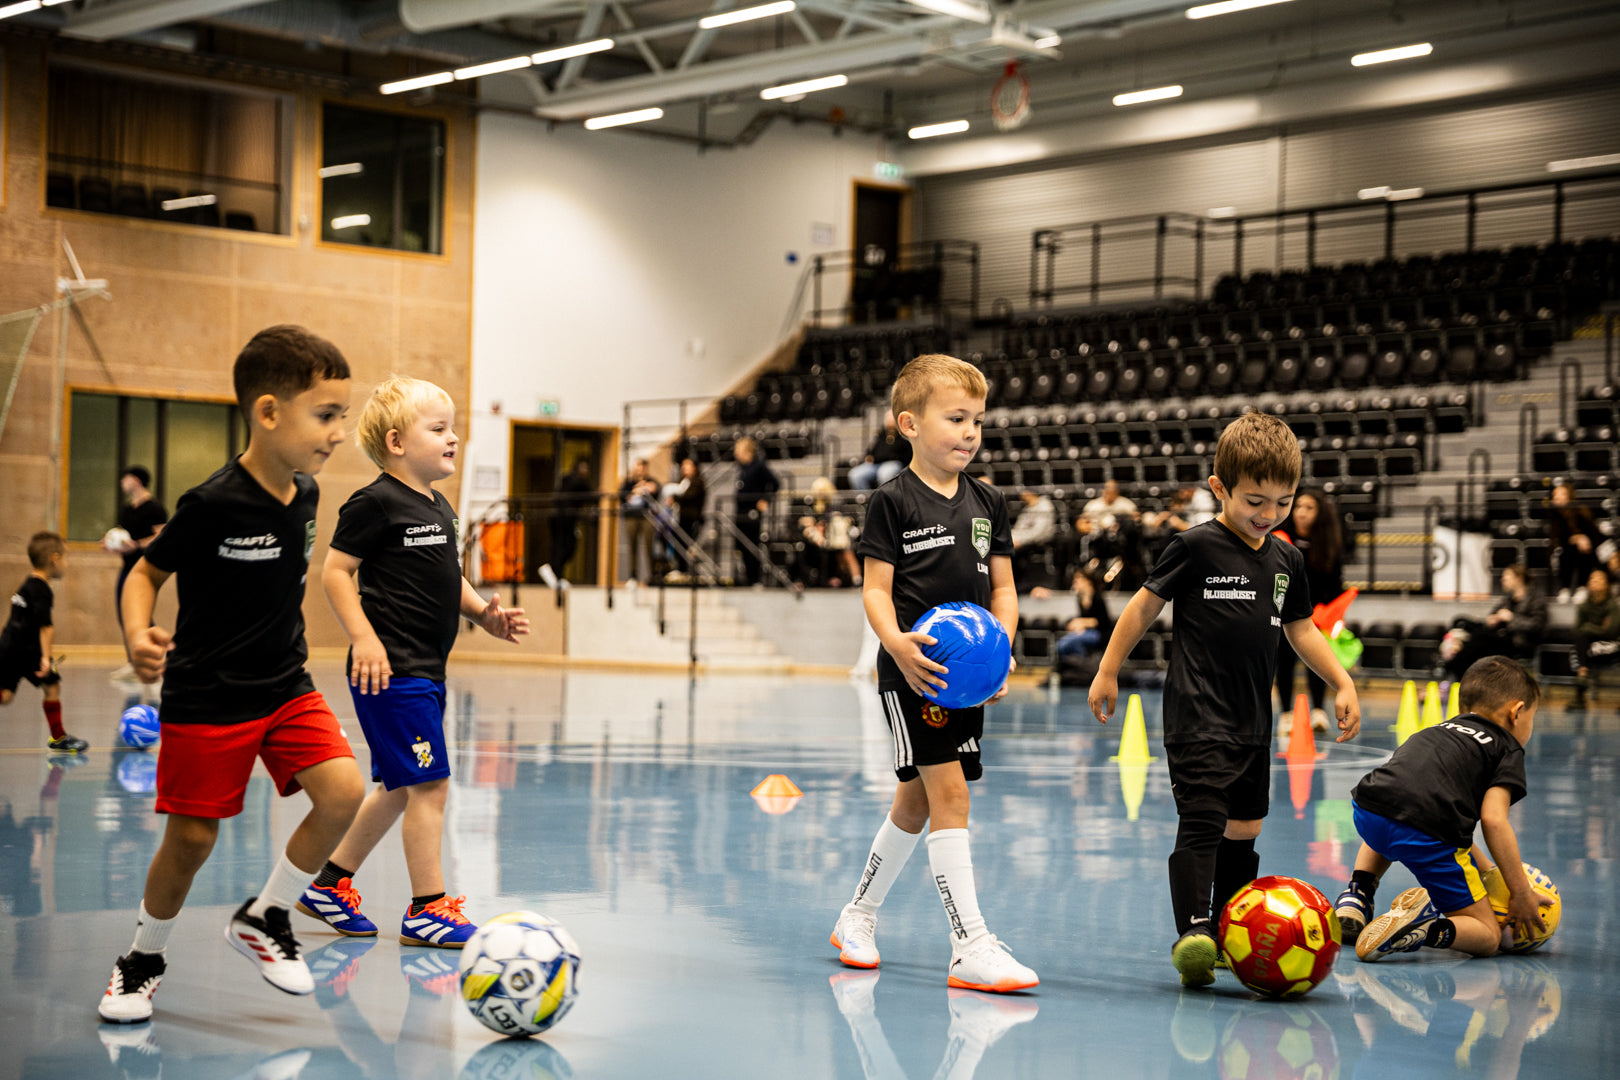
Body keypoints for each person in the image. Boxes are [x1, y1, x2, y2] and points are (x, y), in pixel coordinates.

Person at [98, 325, 367, 1023]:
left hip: (285, 683)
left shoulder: (307, 494)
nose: (340, 431)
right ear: (268, 412)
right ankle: (141, 960)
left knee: (342, 792)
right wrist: (135, 632)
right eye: (327, 415)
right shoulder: (212, 503)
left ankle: (265, 915)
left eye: (343, 415)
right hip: (209, 694)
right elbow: (145, 572)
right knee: (191, 841)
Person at [1087, 411, 1361, 988]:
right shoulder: (1196, 547)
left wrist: (1342, 680)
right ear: (1220, 488)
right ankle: (1193, 933)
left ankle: (1230, 932)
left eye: (1283, 503)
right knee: (1204, 820)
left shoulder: (1287, 559)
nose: (1268, 515)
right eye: (1255, 501)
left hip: (1252, 722)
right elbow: (1142, 606)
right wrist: (1109, 670)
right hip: (1197, 714)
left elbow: (1302, 629)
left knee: (1246, 828)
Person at [828, 353, 1036, 994]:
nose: (970, 432)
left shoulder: (989, 502)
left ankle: (856, 917)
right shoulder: (890, 503)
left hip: (967, 679)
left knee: (916, 802)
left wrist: (1000, 651)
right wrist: (896, 646)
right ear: (908, 424)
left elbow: (1004, 588)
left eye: (977, 420)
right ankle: (969, 944)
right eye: (956, 418)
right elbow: (875, 591)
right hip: (913, 675)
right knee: (951, 797)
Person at [300, 375, 528, 950]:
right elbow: (334, 572)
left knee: (402, 786)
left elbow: (448, 579)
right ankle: (428, 909)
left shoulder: (440, 507)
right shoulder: (373, 503)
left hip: (426, 670)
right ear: (398, 442)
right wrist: (365, 638)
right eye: (439, 429)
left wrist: (485, 616)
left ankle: (330, 884)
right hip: (391, 670)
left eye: (453, 428)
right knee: (430, 785)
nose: (454, 438)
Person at [1335, 656, 1551, 961]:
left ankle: (1356, 896)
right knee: (1488, 935)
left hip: (1369, 808)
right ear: (1516, 713)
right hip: (1425, 833)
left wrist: (1488, 871)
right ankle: (1422, 928)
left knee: (1394, 814)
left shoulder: (1439, 729)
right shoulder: (1505, 748)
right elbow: (1492, 820)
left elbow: (1441, 818)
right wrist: (1521, 892)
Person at [1, 532, 87, 753]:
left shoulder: (27, 584)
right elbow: (45, 626)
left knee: (6, 696)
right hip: (27, 651)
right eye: (65, 559)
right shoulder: (42, 590)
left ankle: (58, 736)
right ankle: (58, 737)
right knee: (52, 686)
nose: (66, 565)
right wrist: (45, 658)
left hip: (9, 647)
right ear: (54, 559)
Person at [1274, 489, 1346, 734]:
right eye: (1298, 507)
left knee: (1316, 662)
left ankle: (1318, 711)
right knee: (1284, 664)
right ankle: (1285, 714)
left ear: (1320, 514)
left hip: (1316, 616)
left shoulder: (1329, 545)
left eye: (1309, 508)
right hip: (1284, 614)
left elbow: (1336, 585)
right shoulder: (1280, 539)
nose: (1301, 513)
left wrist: (1330, 616)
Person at [1438, 564, 1546, 681]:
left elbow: (1537, 625)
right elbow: (1491, 619)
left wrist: (1512, 618)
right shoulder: (1506, 600)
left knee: (1479, 641)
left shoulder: (1535, 601)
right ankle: (1456, 670)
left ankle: (1450, 668)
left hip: (1518, 643)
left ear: (1519, 579)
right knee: (1461, 622)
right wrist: (1492, 620)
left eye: (1506, 578)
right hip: (1498, 638)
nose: (1502, 580)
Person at [113, 466, 168, 614]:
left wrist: (137, 545)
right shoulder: (127, 509)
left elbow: (161, 536)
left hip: (143, 567)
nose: (122, 481)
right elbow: (122, 534)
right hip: (127, 566)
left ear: (136, 481)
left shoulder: (154, 508)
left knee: (138, 614)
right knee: (123, 612)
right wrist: (112, 543)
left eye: (126, 478)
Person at [732, 437, 779, 586]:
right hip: (740, 512)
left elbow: (775, 483)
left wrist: (765, 500)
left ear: (746, 451)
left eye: (738, 450)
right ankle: (746, 577)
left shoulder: (759, 466)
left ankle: (755, 578)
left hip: (752, 512)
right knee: (741, 546)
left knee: (752, 545)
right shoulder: (742, 468)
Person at [1571, 568, 1620, 710]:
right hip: (1590, 646)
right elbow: (1575, 630)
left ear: (1606, 585)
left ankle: (1582, 675)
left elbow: (1611, 631)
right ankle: (1579, 696)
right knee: (1579, 644)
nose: (1595, 582)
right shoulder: (1584, 606)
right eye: (1592, 579)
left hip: (1611, 645)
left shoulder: (1612, 605)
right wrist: (1600, 629)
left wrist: (1588, 627)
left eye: (1599, 579)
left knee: (1581, 645)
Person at [541, 459, 594, 589]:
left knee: (559, 546)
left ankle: (556, 575)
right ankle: (555, 574)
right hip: (564, 518)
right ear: (578, 469)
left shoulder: (566, 479)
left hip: (558, 517)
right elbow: (592, 496)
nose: (585, 472)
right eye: (583, 469)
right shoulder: (578, 482)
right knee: (567, 546)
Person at [798, 477, 861, 587]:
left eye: (823, 491)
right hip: (821, 537)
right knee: (811, 538)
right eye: (818, 492)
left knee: (846, 550)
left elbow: (848, 519)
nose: (821, 494)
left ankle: (856, 579)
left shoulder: (837, 503)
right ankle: (814, 578)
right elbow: (812, 520)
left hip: (840, 536)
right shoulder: (814, 505)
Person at [1545, 483, 1600, 601]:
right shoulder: (1554, 515)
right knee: (1563, 553)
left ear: (1569, 496)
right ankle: (1564, 588)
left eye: (1561, 494)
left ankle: (1582, 587)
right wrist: (1576, 538)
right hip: (1564, 548)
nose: (1557, 497)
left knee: (1582, 551)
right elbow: (1558, 538)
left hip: (1588, 548)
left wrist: (1583, 538)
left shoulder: (1581, 512)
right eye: (1555, 495)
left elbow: (1594, 534)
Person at [1055, 568, 1113, 661]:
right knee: (1061, 644)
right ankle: (1074, 665)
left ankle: (1083, 664)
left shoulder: (1097, 598)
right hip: (1087, 632)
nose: (1075, 581)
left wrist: (1081, 623)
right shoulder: (1080, 599)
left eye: (1079, 578)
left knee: (1071, 642)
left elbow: (1102, 621)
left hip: (1100, 634)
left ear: (1088, 581)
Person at [619, 458, 661, 585]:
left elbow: (658, 494)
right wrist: (634, 491)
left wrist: (650, 488)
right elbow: (621, 497)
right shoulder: (629, 482)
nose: (640, 470)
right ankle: (633, 575)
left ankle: (652, 574)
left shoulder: (651, 482)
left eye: (642, 467)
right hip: (631, 516)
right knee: (632, 546)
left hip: (646, 517)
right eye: (638, 467)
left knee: (649, 545)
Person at [848, 411, 911, 490]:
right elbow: (872, 449)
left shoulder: (904, 435)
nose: (889, 422)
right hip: (876, 464)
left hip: (894, 463)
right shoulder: (881, 435)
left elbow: (904, 454)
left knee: (885, 473)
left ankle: (886, 499)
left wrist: (883, 457)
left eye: (891, 419)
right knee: (856, 474)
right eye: (887, 419)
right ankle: (867, 499)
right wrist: (868, 456)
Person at [1010, 489, 1057, 592]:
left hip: (1038, 542)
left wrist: (1020, 541)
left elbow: (1039, 532)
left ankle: (1022, 585)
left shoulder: (1044, 506)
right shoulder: (1027, 508)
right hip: (1023, 541)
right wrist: (1011, 538)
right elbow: (1019, 528)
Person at [666, 457, 707, 572]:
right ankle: (680, 568)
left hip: (691, 518)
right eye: (683, 465)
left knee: (687, 545)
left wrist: (674, 497)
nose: (685, 468)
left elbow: (689, 496)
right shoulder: (682, 481)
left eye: (688, 465)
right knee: (678, 544)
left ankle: (687, 571)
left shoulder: (698, 482)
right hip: (680, 517)